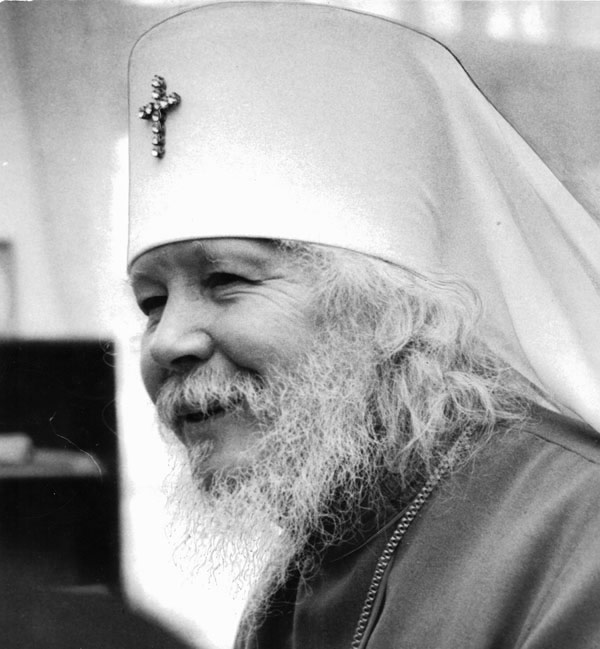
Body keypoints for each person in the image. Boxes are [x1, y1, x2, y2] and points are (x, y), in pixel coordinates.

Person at [127, 3, 600, 648]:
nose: (166, 341)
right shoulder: (319, 547)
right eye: (151, 302)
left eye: (227, 280)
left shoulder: (580, 529)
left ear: (394, 312)